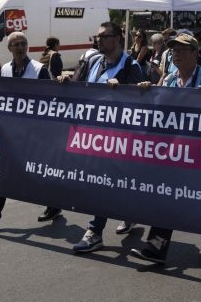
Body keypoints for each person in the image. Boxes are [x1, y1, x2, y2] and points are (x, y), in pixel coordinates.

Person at [129, 33, 201, 264]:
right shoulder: (170, 79)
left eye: (181, 50)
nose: (176, 54)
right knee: (167, 194)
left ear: (195, 53)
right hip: (176, 151)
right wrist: (147, 91)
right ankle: (156, 247)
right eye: (173, 50)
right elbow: (156, 107)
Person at [0, 31, 62, 233]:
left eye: (23, 43)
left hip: (36, 133)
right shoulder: (5, 69)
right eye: (16, 44)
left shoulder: (39, 70)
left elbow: (53, 98)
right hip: (12, 133)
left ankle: (54, 203)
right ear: (9, 48)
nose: (20, 47)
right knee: (2, 172)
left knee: (38, 171)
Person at [65, 21, 145, 254]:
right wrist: (66, 81)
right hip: (93, 136)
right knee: (114, 182)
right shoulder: (93, 61)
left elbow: (140, 101)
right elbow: (79, 87)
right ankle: (130, 214)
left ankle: (94, 231)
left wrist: (122, 90)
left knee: (104, 182)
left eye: (103, 36)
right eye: (97, 36)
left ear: (118, 38)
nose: (98, 40)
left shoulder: (131, 65)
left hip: (119, 138)